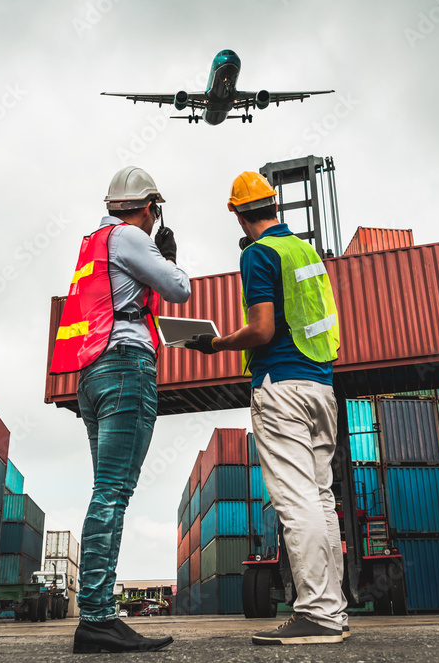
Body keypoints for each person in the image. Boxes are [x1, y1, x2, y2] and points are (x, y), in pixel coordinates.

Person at [185, 171, 346, 646]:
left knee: (296, 502)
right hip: (322, 387)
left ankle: (316, 615)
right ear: (274, 207)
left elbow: (261, 329)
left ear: (235, 212)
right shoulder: (305, 251)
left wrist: (214, 344)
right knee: (320, 499)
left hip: (282, 386)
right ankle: (333, 610)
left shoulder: (258, 254)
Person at [49, 166, 190, 654]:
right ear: (149, 206)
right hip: (126, 366)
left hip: (92, 373)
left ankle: (98, 615)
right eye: (156, 212)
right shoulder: (132, 237)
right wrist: (170, 258)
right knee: (113, 494)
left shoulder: (94, 241)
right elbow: (180, 290)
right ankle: (97, 618)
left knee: (104, 492)